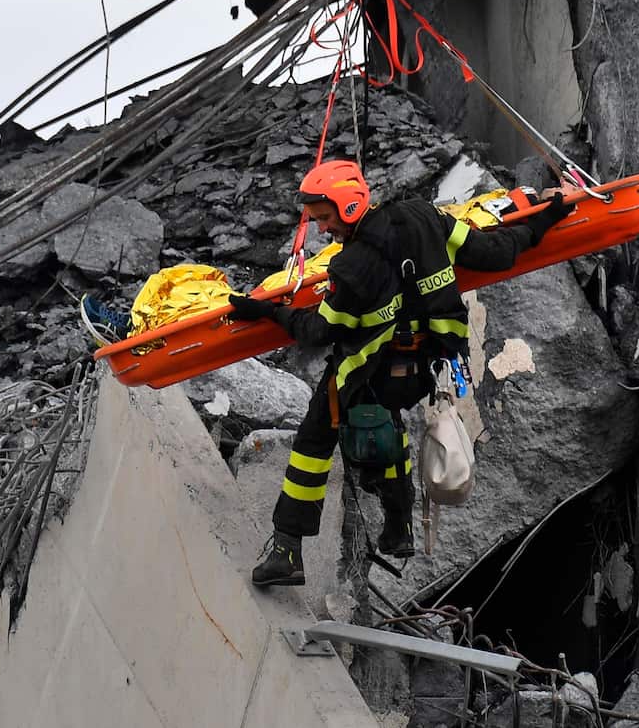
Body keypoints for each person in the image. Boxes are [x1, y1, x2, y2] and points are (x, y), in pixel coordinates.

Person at [227, 159, 572, 587]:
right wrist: (549, 218)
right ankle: (398, 527)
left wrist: (266, 311)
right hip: (425, 368)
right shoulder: (425, 218)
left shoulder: (351, 269)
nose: (320, 230)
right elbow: (497, 253)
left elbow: (317, 331)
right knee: (385, 417)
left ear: (348, 208)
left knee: (314, 440)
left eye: (323, 218)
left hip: (369, 372)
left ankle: (286, 549)